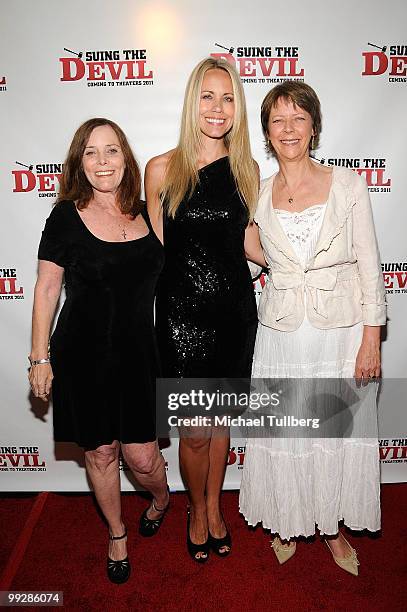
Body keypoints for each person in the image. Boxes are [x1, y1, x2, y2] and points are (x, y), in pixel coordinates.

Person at [239, 81, 387, 576]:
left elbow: (370, 263)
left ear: (314, 127)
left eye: (298, 118)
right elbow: (254, 251)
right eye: (278, 120)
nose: (289, 129)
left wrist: (372, 336)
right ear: (266, 131)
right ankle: (287, 517)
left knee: (334, 428)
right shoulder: (258, 194)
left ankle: (330, 526)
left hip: (339, 332)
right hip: (281, 333)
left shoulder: (347, 186)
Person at [29, 118, 169, 584]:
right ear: (79, 162)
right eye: (92, 152)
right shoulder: (65, 216)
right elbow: (47, 288)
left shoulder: (151, 212)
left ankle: (163, 498)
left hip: (139, 355)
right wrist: (39, 357)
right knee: (103, 453)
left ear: (126, 158)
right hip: (82, 357)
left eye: (112, 151)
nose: (103, 161)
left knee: (144, 458)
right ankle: (116, 532)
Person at [146, 57, 266, 562]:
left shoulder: (248, 171)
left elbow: (254, 244)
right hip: (182, 317)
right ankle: (195, 508)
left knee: (221, 427)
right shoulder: (160, 169)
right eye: (208, 97)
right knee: (194, 433)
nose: (218, 109)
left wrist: (317, 259)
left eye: (228, 98)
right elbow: (153, 250)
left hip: (234, 314)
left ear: (236, 107)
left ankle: (215, 506)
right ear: (192, 101)